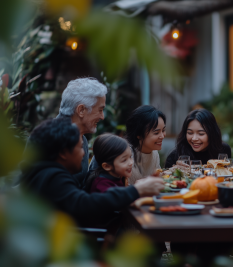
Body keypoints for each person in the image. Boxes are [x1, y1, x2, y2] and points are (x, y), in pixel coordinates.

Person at [20, 118, 164, 227]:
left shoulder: (44, 173)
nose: (84, 154)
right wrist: (136, 190)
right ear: (64, 152)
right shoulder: (52, 177)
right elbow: (85, 203)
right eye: (80, 147)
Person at [89, 105, 166, 185]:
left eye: (163, 130)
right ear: (138, 134)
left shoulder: (154, 153)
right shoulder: (122, 152)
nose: (162, 136)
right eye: (156, 132)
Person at [57, 77, 107, 187]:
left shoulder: (81, 138)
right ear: (81, 110)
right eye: (100, 110)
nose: (102, 117)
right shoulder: (53, 139)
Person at [165, 109, 231, 168]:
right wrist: (174, 171)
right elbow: (165, 179)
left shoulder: (223, 150)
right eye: (190, 133)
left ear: (212, 133)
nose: (194, 138)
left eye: (201, 134)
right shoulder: (175, 156)